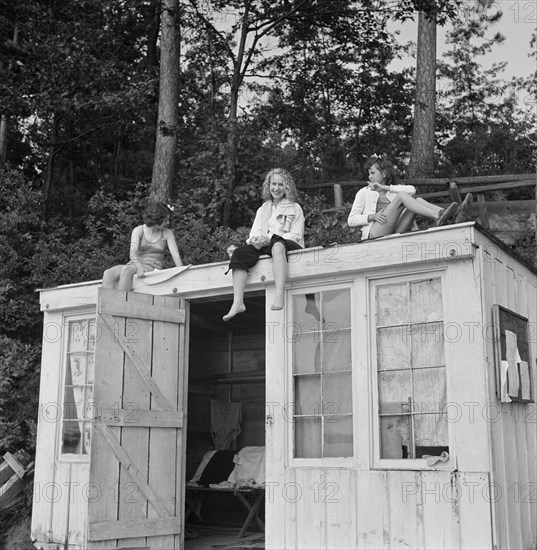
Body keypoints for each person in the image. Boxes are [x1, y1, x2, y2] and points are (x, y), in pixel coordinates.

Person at [223, 168, 304, 321]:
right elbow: (255, 232)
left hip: (289, 244)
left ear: (287, 187)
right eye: (274, 184)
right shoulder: (263, 209)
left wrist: (271, 239)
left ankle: (279, 294)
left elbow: (295, 234)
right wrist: (255, 240)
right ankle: (238, 302)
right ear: (269, 185)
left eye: (281, 185)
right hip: (268, 244)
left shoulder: (295, 208)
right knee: (240, 253)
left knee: (277, 244)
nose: (276, 188)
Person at [347, 154, 460, 240]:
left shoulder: (393, 190)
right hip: (375, 233)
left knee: (417, 199)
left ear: (384, 173)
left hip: (396, 230)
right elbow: (351, 220)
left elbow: (412, 190)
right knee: (402, 196)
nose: (369, 176)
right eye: (369, 173)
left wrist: (385, 188)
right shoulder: (364, 192)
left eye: (372, 173)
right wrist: (372, 216)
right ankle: (438, 215)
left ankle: (447, 215)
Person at [102, 202, 183, 291]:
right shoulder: (139, 230)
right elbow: (132, 254)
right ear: (157, 219)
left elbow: (176, 256)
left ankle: (121, 303)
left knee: (126, 270)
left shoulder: (167, 233)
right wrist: (139, 268)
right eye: (166, 220)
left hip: (152, 266)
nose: (168, 222)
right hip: (135, 264)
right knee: (108, 273)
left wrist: (182, 272)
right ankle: (107, 303)